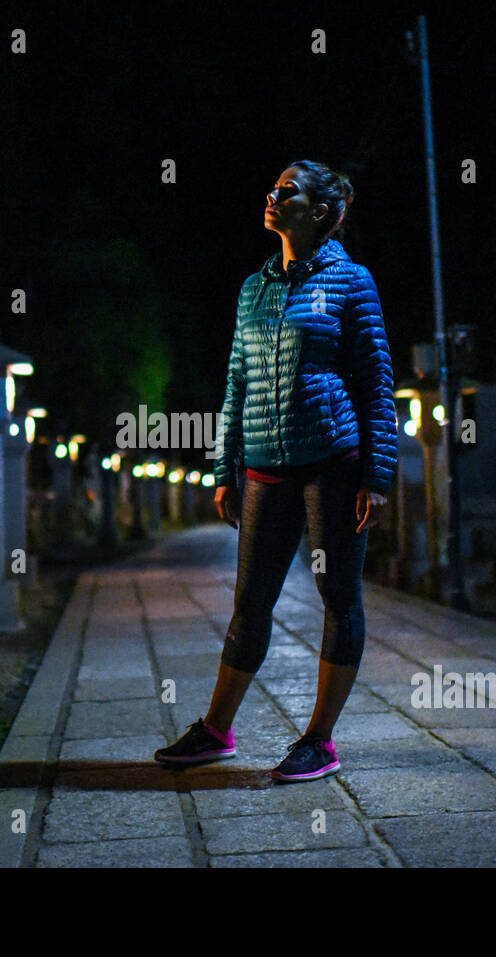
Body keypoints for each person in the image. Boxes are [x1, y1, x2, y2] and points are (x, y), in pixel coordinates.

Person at [154, 160, 398, 782]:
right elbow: (235, 383)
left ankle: (319, 739)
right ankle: (216, 730)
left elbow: (374, 379)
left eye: (286, 191)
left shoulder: (352, 282)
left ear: (319, 212)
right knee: (249, 601)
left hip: (334, 463)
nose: (271, 196)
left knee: (337, 596)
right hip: (263, 465)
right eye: (272, 188)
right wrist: (221, 468)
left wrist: (378, 473)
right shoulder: (253, 287)